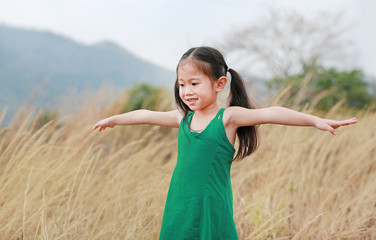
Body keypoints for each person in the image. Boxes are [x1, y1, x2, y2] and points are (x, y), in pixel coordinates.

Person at [92, 46, 357, 240]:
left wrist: (315, 121)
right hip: (180, 201)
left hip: (211, 202)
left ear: (220, 84)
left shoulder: (228, 118)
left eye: (195, 83)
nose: (187, 91)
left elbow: (271, 112)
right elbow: (146, 115)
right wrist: (115, 118)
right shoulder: (183, 118)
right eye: (182, 84)